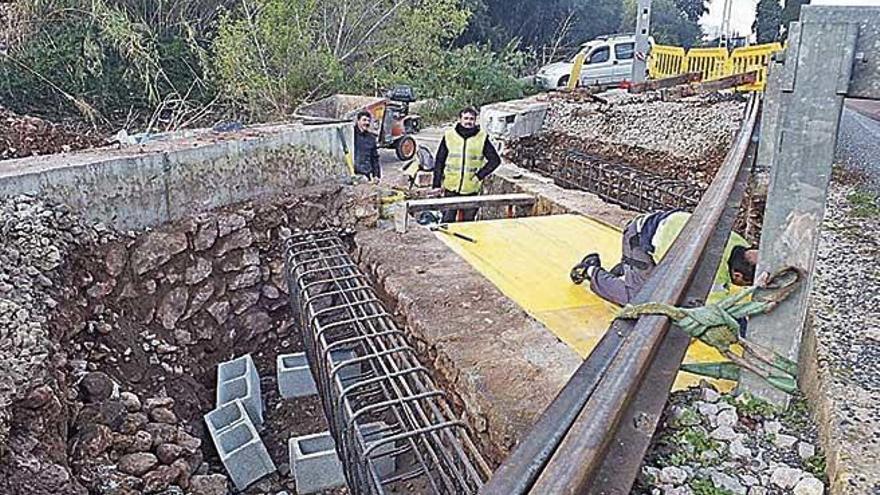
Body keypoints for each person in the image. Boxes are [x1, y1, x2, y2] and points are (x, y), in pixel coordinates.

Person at [570, 210, 759, 306]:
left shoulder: (737, 243)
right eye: (746, 284)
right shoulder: (710, 269)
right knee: (638, 299)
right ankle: (590, 270)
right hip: (639, 237)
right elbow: (710, 309)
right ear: (737, 275)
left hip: (660, 232)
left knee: (661, 284)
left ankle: (628, 268)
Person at [432, 107, 501, 222]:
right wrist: (436, 184)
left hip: (471, 188)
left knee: (468, 223)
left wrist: (479, 176)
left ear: (475, 121)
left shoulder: (482, 138)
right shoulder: (449, 136)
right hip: (451, 187)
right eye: (466, 118)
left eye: (471, 119)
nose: (468, 121)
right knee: (447, 221)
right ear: (460, 119)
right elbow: (439, 161)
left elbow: (495, 160)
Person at [353, 111, 380, 181]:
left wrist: (376, 175)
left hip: (366, 175)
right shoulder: (351, 135)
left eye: (368, 121)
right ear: (358, 121)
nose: (367, 123)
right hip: (352, 174)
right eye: (364, 120)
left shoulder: (371, 138)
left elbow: (374, 158)